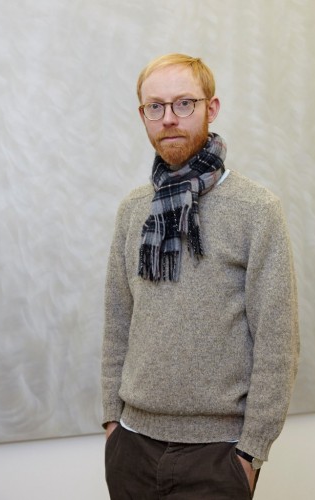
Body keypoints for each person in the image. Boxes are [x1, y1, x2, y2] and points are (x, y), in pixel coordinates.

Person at [101, 53, 299, 499]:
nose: (169, 118)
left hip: (218, 456)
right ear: (143, 115)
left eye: (184, 103)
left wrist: (250, 454)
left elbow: (277, 340)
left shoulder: (256, 209)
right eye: (156, 106)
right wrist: (113, 423)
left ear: (211, 108)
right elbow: (117, 322)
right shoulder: (134, 210)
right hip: (132, 447)